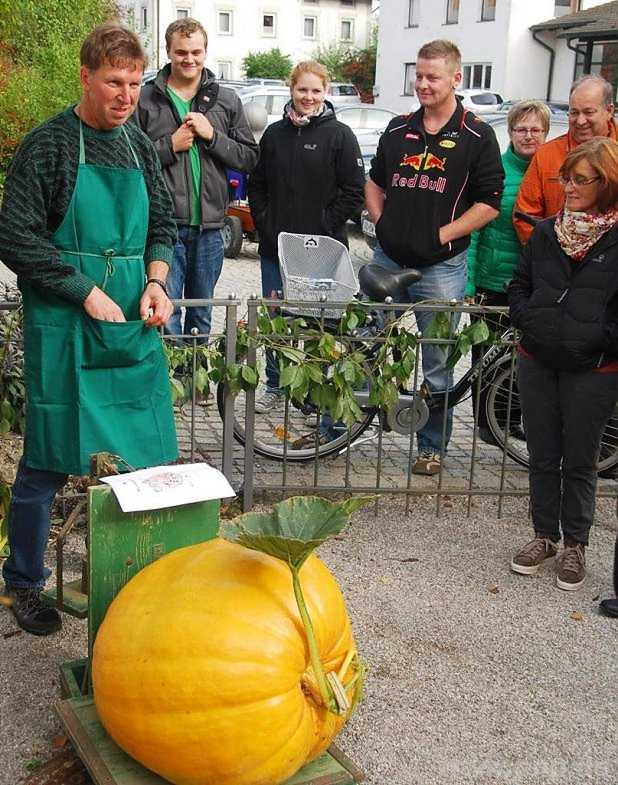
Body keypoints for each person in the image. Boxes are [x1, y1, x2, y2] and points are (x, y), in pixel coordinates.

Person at [0, 23, 178, 635]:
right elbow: (15, 237)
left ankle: (140, 581)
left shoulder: (140, 146)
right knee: (47, 463)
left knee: (146, 461)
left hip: (129, 324)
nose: (126, 96)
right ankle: (23, 582)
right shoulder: (47, 146)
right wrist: (84, 289)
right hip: (64, 326)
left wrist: (156, 281)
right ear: (85, 76)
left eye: (134, 83)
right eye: (113, 83)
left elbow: (164, 225)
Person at [365, 40, 504, 475]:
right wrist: (381, 222)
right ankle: (336, 428)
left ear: (456, 79)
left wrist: (440, 235)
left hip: (441, 268)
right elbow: (373, 181)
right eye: (419, 76)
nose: (423, 84)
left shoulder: (478, 135)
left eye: (433, 77)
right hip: (388, 258)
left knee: (438, 360)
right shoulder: (397, 128)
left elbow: (489, 203)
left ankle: (431, 448)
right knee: (362, 344)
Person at [508, 137, 618, 591]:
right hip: (538, 358)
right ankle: (543, 536)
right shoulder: (548, 232)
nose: (568, 187)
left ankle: (576, 543)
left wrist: (597, 340)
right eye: (565, 178)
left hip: (594, 369)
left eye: (579, 180)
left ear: (607, 183)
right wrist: (531, 321)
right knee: (542, 454)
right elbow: (518, 286)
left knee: (580, 459)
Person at [248, 60, 365, 414]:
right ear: (291, 90)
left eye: (316, 91)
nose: (308, 97)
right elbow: (257, 185)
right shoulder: (274, 134)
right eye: (302, 90)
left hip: (322, 252)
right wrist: (267, 223)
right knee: (276, 319)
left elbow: (353, 190)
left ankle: (313, 391)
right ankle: (275, 385)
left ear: (325, 92)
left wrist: (325, 224)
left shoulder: (340, 135)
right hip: (276, 250)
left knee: (319, 323)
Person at [135, 18, 259, 342]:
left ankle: (196, 385)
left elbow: (248, 157)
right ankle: (173, 389)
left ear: (205, 52)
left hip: (211, 228)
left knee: (202, 313)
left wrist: (213, 135)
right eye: (181, 53)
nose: (189, 59)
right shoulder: (146, 99)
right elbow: (130, 159)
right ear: (168, 52)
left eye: (195, 52)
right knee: (167, 311)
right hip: (164, 227)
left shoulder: (227, 100)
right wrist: (168, 146)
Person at [466, 100, 550, 444]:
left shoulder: (552, 170)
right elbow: (474, 231)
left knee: (526, 357)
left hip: (534, 283)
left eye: (536, 130)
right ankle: (489, 424)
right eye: (521, 129)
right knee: (486, 355)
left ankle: (515, 420)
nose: (528, 136)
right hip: (492, 277)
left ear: (545, 133)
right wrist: (468, 280)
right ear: (511, 132)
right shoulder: (495, 170)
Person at [514, 75, 617, 245]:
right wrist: (551, 256)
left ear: (609, 111)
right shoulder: (547, 155)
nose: (580, 121)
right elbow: (526, 216)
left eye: (589, 112)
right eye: (574, 112)